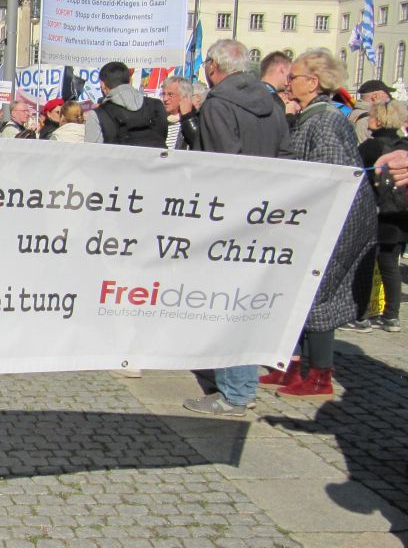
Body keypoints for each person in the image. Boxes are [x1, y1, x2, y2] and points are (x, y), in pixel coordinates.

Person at [183, 40, 291, 415]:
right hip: (268, 213)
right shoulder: (272, 104)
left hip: (231, 218)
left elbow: (222, 166)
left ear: (213, 65)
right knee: (247, 301)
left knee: (226, 303)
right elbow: (286, 155)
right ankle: (237, 382)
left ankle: (234, 390)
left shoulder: (219, 103)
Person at [272, 50, 377, 398]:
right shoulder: (311, 117)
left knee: (319, 294)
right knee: (300, 294)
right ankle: (293, 367)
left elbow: (332, 175)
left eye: (294, 77)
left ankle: (320, 375)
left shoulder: (325, 120)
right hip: (317, 219)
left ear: (312, 82)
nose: (289, 83)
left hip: (334, 222)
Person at [358, 99, 408, 332]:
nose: (368, 120)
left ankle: (360, 315)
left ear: (378, 119)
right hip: (400, 213)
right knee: (390, 264)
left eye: (370, 116)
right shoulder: (405, 146)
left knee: (365, 264)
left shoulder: (371, 147)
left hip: (376, 212)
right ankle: (391, 316)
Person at [91, 61, 168, 147]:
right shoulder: (156, 105)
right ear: (129, 80)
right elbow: (161, 141)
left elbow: (93, 154)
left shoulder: (98, 114)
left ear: (102, 84)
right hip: (152, 159)